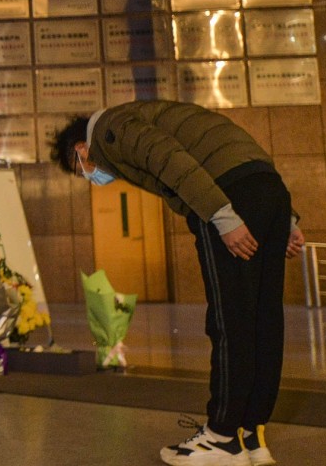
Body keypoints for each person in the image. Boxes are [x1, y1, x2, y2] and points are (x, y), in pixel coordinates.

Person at [50, 100, 304, 466]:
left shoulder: (112, 128)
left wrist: (221, 216)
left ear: (80, 149)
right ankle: (250, 435)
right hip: (268, 190)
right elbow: (243, 154)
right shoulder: (150, 114)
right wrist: (287, 219)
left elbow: (168, 158)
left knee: (230, 319)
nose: (91, 177)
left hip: (224, 195)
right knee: (264, 319)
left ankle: (222, 438)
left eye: (81, 169)